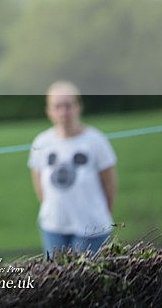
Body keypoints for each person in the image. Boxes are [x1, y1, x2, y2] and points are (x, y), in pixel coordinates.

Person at [28, 80, 118, 255]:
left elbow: (110, 185)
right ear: (49, 111)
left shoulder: (96, 141)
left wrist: (99, 215)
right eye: (57, 107)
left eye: (68, 105)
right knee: (56, 278)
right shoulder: (41, 142)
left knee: (88, 278)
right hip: (53, 227)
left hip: (91, 227)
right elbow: (39, 184)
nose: (63, 112)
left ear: (78, 107)